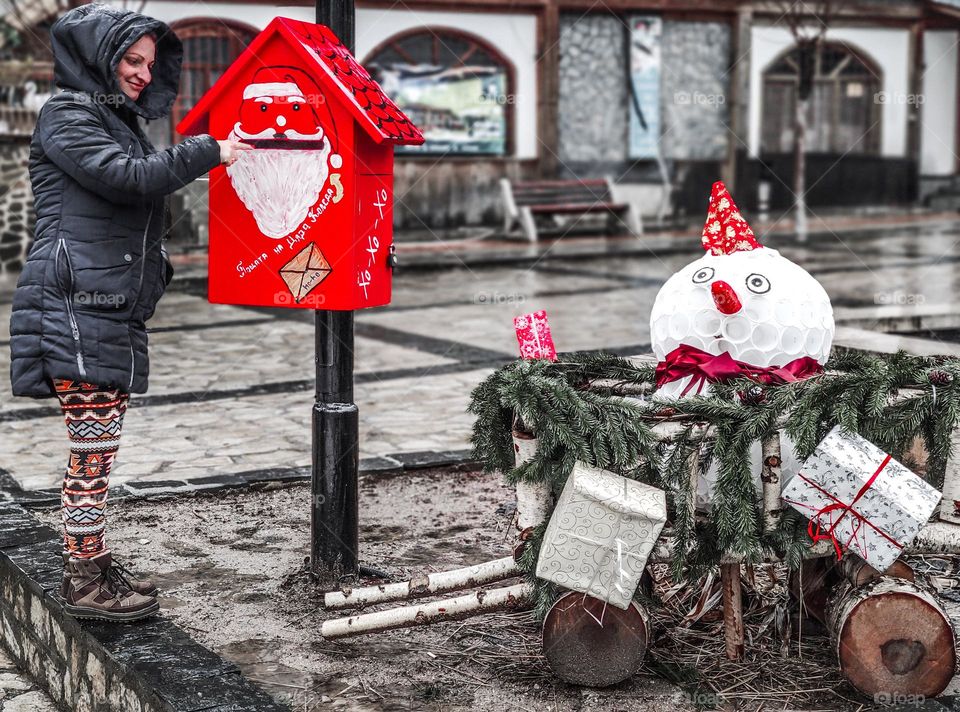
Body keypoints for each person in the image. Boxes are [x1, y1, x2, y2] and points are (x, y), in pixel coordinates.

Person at [8, 4, 251, 622]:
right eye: (130, 60)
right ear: (97, 58)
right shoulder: (68, 116)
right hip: (76, 303)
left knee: (99, 447)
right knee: (91, 451)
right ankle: (83, 582)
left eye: (149, 62)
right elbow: (129, 178)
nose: (143, 73)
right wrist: (211, 150)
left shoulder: (106, 117)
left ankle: (89, 561)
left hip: (101, 305)